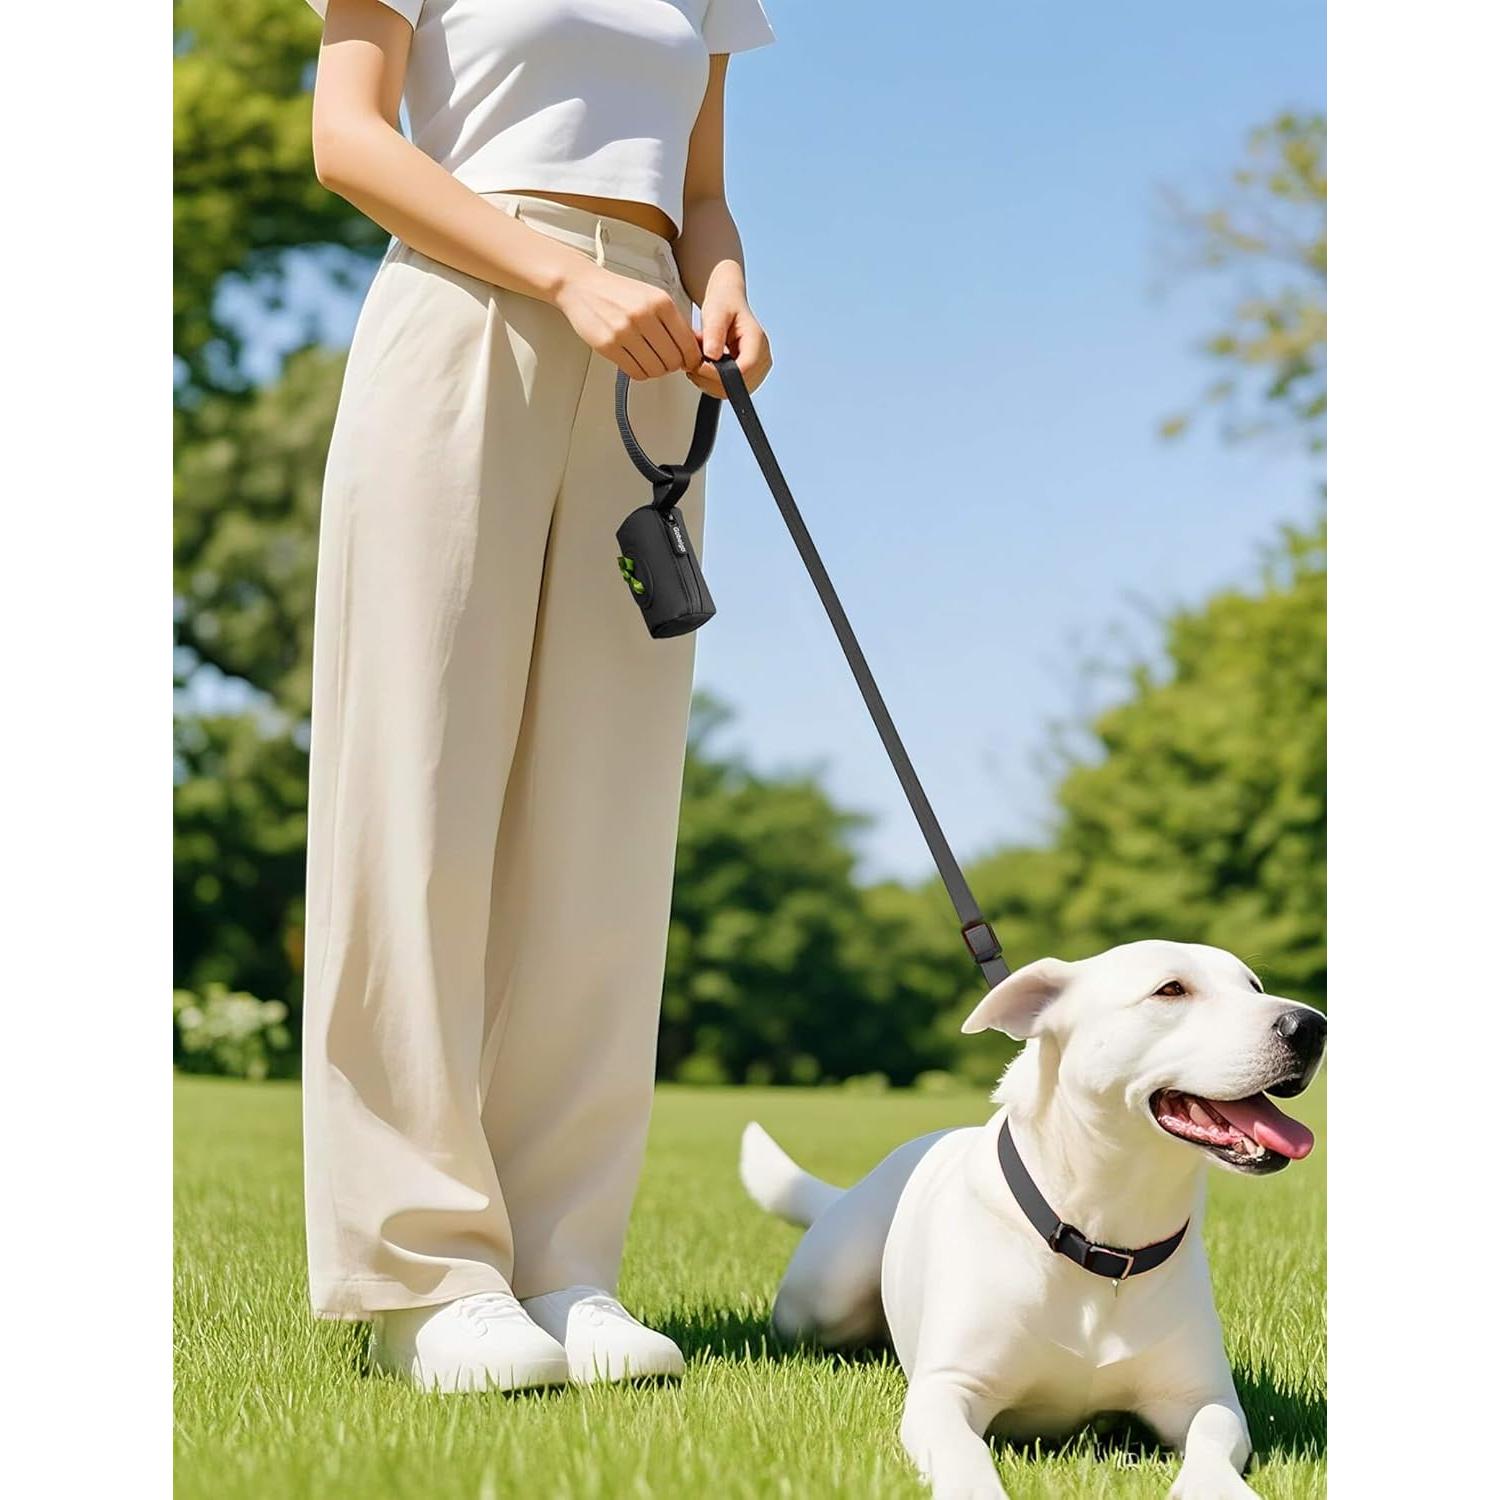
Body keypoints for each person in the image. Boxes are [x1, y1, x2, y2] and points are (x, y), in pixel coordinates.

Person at [298, 0, 775, 1393]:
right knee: (416, 792)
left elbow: (697, 193)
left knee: (607, 821)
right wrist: (563, 278)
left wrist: (726, 287)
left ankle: (566, 1264)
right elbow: (348, 140)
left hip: (651, 367)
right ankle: (424, 1275)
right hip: (463, 307)